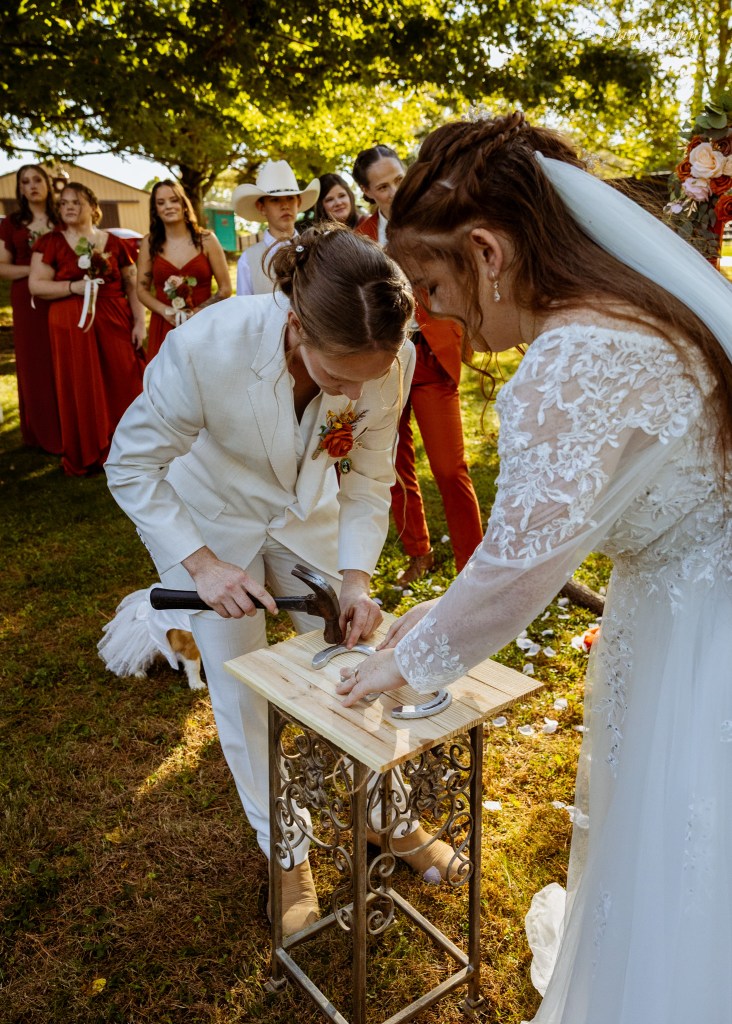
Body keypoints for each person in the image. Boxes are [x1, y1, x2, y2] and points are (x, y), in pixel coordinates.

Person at [338, 112, 732, 1024]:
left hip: (696, 632)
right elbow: (534, 541)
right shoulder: (643, 306)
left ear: (487, 251)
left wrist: (406, 662)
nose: (430, 312)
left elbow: (522, 567)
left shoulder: (572, 357)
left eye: (432, 284)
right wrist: (441, 610)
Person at [105, 225, 455, 937]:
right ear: (296, 324)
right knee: (243, 694)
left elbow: (370, 476)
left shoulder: (390, 357)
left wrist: (355, 578)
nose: (356, 391)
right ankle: (285, 848)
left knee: (357, 661)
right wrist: (202, 565)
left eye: (369, 377)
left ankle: (386, 815)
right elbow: (131, 465)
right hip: (209, 520)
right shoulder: (204, 347)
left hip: (306, 518)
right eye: (339, 377)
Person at [353, 145, 483, 584]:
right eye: (382, 186)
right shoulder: (362, 235)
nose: (395, 190)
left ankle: (472, 566)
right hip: (385, 358)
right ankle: (419, 552)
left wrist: (464, 335)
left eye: (399, 179)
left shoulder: (435, 220)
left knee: (449, 467)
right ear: (367, 192)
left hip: (431, 352)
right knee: (393, 463)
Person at [28, 182, 146, 476]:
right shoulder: (51, 242)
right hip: (71, 324)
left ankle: (132, 446)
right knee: (81, 383)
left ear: (93, 208)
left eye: (76, 202)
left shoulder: (116, 243)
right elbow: (36, 285)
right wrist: (72, 287)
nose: (68, 207)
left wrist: (139, 322)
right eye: (64, 203)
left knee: (124, 377)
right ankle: (89, 449)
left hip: (114, 319)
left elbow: (131, 285)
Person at [0, 164, 61, 453]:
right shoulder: (11, 223)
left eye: (37, 179)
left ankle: (72, 424)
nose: (32, 185)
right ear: (20, 189)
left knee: (62, 356)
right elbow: (2, 267)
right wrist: (36, 272)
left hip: (62, 295)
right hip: (27, 301)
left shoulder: (62, 218)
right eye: (26, 182)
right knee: (34, 360)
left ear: (48, 184)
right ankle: (40, 430)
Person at [136, 180, 231, 360]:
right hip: (164, 325)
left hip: (204, 323)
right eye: (161, 203)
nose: (168, 206)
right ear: (155, 209)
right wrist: (166, 311)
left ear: (184, 204)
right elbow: (141, 290)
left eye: (174, 200)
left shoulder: (207, 240)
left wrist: (196, 313)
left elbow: (225, 289)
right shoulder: (149, 243)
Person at [233, 160, 319, 295]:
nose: (285, 206)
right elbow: (245, 306)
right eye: (275, 200)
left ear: (298, 203)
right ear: (261, 207)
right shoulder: (248, 260)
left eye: (290, 198)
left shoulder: (315, 249)